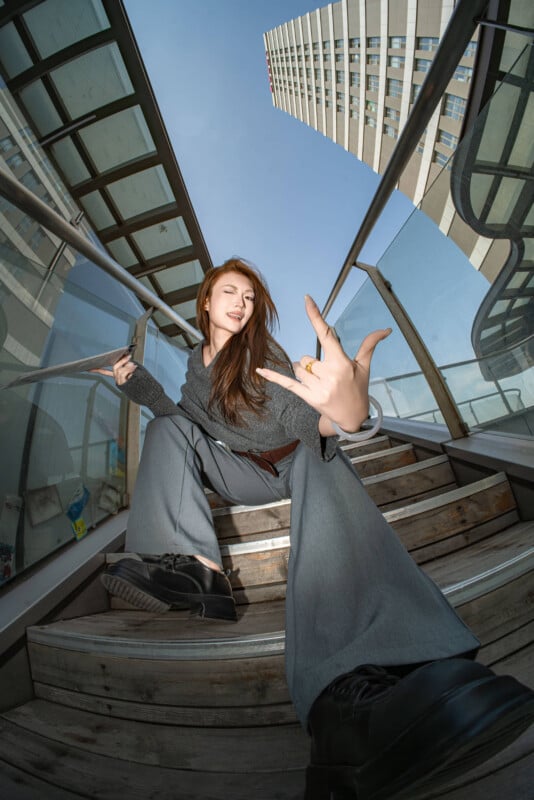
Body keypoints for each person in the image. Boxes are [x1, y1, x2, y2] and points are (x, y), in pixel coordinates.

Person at [98, 258, 534, 800]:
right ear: (205, 301)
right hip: (243, 474)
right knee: (168, 424)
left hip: (296, 456)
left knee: (318, 458)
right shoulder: (192, 367)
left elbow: (307, 417)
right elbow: (182, 418)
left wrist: (343, 416)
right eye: (230, 292)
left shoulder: (263, 357)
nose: (241, 303)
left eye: (251, 297)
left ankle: (351, 695)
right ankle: (191, 568)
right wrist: (135, 382)